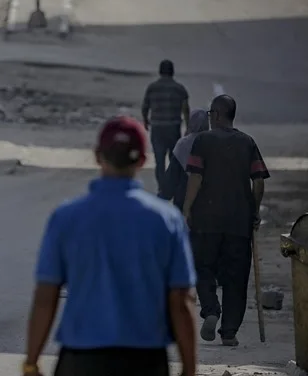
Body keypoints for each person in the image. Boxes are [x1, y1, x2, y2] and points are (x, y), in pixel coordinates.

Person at [22, 116, 197, 376]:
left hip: (81, 360)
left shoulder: (67, 217)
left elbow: (45, 296)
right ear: (142, 160)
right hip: (145, 361)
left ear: (97, 156)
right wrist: (189, 368)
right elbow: (181, 300)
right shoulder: (166, 220)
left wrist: (32, 362)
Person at [182, 94, 270, 347]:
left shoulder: (202, 141)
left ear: (217, 115)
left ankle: (211, 309)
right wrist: (254, 210)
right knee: (236, 277)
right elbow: (259, 181)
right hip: (238, 222)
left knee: (202, 267)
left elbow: (195, 178)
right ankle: (229, 332)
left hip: (206, 220)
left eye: (211, 113)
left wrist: (187, 209)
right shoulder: (248, 142)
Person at [141, 59, 190, 192]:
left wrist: (145, 120)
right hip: (173, 128)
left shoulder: (152, 87)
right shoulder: (179, 89)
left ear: (160, 71)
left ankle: (162, 188)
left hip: (157, 127)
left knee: (159, 160)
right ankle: (173, 186)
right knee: (174, 159)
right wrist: (188, 126)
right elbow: (185, 109)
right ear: (172, 72)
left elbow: (145, 106)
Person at [161, 108, 210, 207]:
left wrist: (163, 196)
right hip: (207, 199)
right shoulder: (212, 142)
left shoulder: (183, 143)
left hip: (183, 196)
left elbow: (173, 174)